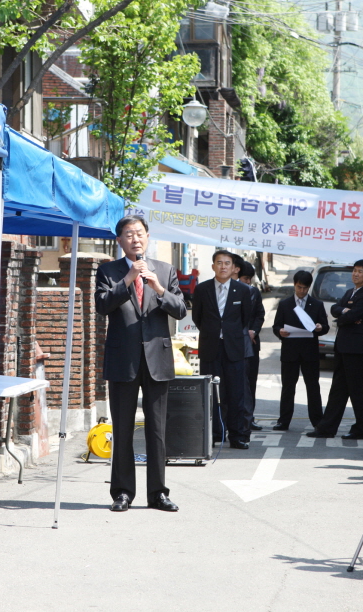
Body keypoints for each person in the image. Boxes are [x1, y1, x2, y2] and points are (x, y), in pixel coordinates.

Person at [94, 215, 186, 513]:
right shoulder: (108, 272)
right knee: (122, 428)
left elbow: (181, 310)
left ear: (148, 237)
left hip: (157, 358)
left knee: (157, 430)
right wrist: (129, 279)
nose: (135, 239)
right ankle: (122, 493)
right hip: (123, 359)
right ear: (119, 241)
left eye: (140, 233)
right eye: (129, 234)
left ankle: (157, 493)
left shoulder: (165, 270)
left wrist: (158, 288)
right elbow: (102, 306)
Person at [308, 259, 363, 439]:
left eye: (360, 271)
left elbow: (351, 315)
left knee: (357, 391)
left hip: (357, 349)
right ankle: (326, 428)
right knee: (338, 389)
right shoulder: (349, 292)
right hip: (343, 346)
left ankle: (360, 429)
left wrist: (345, 314)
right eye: (354, 270)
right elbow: (335, 309)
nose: (355, 274)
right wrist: (344, 312)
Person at [192, 250, 253, 449]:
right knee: (210, 393)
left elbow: (245, 319)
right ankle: (215, 433)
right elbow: (197, 318)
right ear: (213, 266)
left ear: (233, 267)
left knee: (236, 394)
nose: (223, 266)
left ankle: (237, 435)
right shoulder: (202, 289)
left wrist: (228, 333)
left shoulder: (243, 290)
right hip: (210, 348)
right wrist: (214, 332)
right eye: (219, 262)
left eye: (227, 263)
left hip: (234, 349)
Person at [272, 270, 329, 431]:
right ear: (294, 285)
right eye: (299, 287)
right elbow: (276, 325)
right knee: (288, 387)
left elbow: (325, 326)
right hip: (290, 351)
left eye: (305, 288)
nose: (302, 291)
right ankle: (284, 421)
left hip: (309, 352)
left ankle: (317, 421)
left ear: (309, 287)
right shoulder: (285, 304)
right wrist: (280, 331)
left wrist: (319, 327)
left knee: (312, 387)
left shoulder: (317, 305)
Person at [236, 259, 266, 430]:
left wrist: (253, 331)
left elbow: (260, 315)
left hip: (252, 344)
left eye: (250, 279)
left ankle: (249, 417)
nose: (248, 282)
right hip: (234, 343)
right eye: (245, 278)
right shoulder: (231, 291)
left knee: (250, 382)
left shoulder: (255, 292)